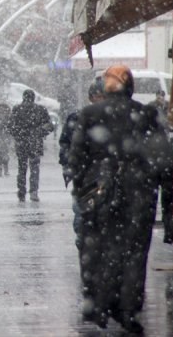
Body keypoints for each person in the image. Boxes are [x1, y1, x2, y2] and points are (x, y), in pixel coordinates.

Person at [66, 65, 171, 333]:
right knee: (134, 251)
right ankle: (128, 307)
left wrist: (82, 186)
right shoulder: (146, 113)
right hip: (138, 192)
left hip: (97, 191)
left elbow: (76, 157)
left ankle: (99, 304)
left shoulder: (89, 114)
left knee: (96, 249)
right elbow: (161, 157)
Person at [58, 78, 104, 235]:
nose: (100, 99)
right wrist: (68, 165)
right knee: (81, 216)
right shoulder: (77, 118)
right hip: (84, 177)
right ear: (91, 97)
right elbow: (65, 144)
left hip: (107, 176)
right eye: (97, 95)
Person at [9, 89, 54, 202]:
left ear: (23, 97)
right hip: (35, 143)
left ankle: (21, 191)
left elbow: (10, 126)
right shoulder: (40, 110)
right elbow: (50, 125)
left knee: (22, 168)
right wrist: (40, 132)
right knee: (34, 168)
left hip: (21, 143)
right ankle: (33, 192)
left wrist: (18, 135)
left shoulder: (17, 109)